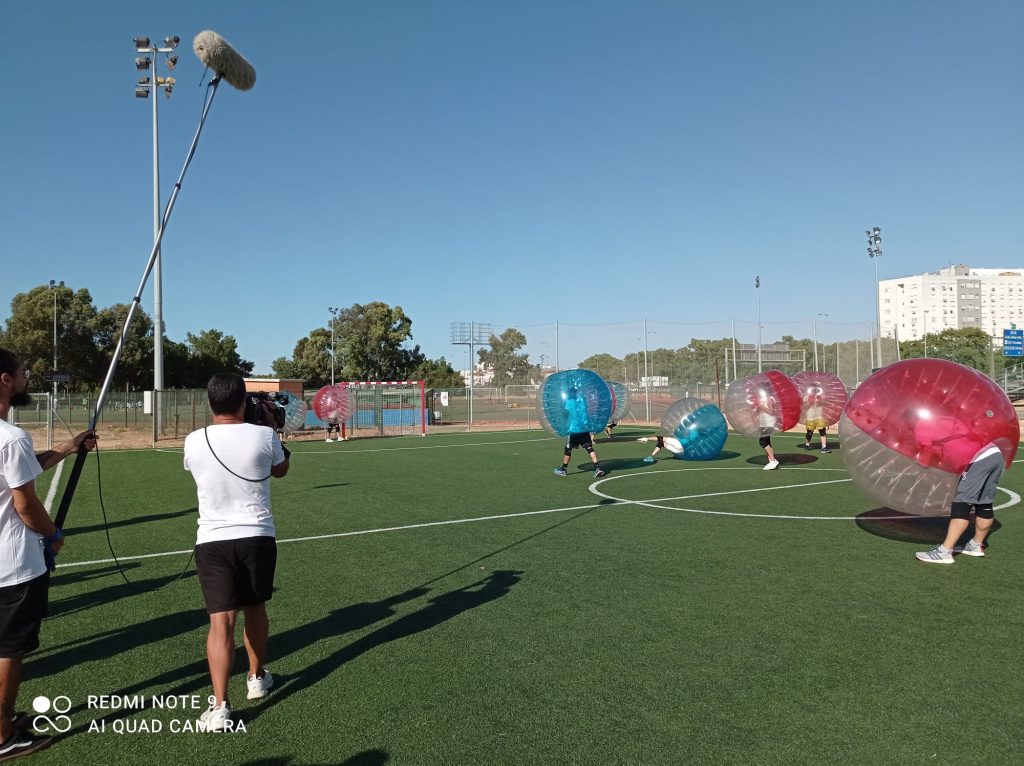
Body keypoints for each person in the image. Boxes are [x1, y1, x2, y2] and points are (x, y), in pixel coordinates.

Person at [0, 348, 96, 760]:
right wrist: (53, 533)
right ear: (5, 379)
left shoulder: (11, 441)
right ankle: (2, 735)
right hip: (12, 567)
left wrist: (66, 447)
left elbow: (22, 470)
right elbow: (25, 504)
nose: (26, 379)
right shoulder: (10, 438)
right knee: (8, 651)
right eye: (22, 373)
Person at [183, 373, 290, 731]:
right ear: (243, 401)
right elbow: (281, 470)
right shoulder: (264, 435)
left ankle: (220, 705)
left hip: (213, 538)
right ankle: (256, 677)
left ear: (210, 402)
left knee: (220, 623)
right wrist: (274, 428)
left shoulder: (194, 441)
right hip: (257, 535)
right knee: (256, 608)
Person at [916, 442, 1006, 565]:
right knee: (984, 502)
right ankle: (975, 545)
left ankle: (944, 552)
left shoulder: (923, 428)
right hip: (994, 452)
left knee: (962, 502)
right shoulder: (949, 423)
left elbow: (926, 460)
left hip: (977, 458)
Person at [553, 387, 605, 477]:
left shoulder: (569, 401)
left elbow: (566, 413)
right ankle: (597, 468)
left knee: (568, 449)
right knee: (589, 448)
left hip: (574, 429)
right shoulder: (582, 401)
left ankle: (563, 470)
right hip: (584, 428)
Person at [756, 389, 780, 470]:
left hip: (769, 423)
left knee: (762, 442)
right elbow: (759, 411)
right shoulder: (761, 399)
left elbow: (771, 412)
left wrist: (761, 406)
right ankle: (771, 462)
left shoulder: (770, 399)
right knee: (767, 443)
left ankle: (773, 461)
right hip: (763, 423)